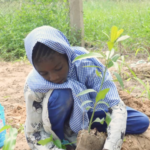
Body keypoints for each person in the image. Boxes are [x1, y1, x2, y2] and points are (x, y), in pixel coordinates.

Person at [24, 26, 149, 150]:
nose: (54, 77)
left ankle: (77, 129)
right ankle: (64, 139)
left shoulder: (86, 65)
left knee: (140, 121)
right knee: (62, 94)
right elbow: (34, 132)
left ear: (67, 55)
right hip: (55, 122)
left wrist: (110, 147)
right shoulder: (35, 83)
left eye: (58, 68)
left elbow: (116, 106)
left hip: (86, 113)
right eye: (44, 73)